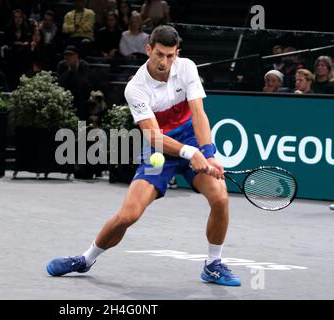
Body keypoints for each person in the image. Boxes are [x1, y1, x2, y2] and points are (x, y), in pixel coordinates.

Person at [46, 25, 242, 287]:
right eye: (159, 54)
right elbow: (152, 136)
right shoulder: (135, 87)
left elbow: (198, 113)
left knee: (220, 197)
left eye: (170, 56)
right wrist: (190, 152)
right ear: (149, 49)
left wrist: (208, 153)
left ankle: (213, 265)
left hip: (192, 140)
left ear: (177, 53)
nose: (164, 62)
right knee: (129, 215)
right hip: (159, 148)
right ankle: (85, 259)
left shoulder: (187, 68)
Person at [56, 45, 92, 121]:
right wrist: (69, 70)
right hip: (66, 93)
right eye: (66, 55)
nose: (68, 57)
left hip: (81, 95)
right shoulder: (61, 65)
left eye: (71, 55)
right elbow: (60, 82)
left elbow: (81, 83)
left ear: (76, 55)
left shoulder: (84, 65)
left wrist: (75, 71)